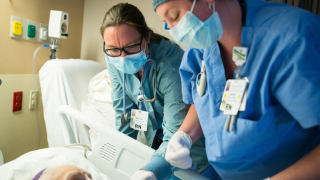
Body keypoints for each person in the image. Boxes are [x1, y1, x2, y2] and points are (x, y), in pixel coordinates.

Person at [152, 0, 320, 179]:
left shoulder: (293, 40)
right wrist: (184, 136)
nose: (174, 31)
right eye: (166, 23)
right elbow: (205, 98)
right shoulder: (202, 43)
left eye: (175, 16)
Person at [100, 3, 214, 180]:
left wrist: (150, 170)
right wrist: (119, 156)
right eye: (114, 49)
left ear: (147, 37)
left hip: (191, 159)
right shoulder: (113, 57)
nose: (122, 57)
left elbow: (175, 135)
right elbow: (123, 114)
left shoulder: (170, 67)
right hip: (152, 149)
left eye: (131, 47)